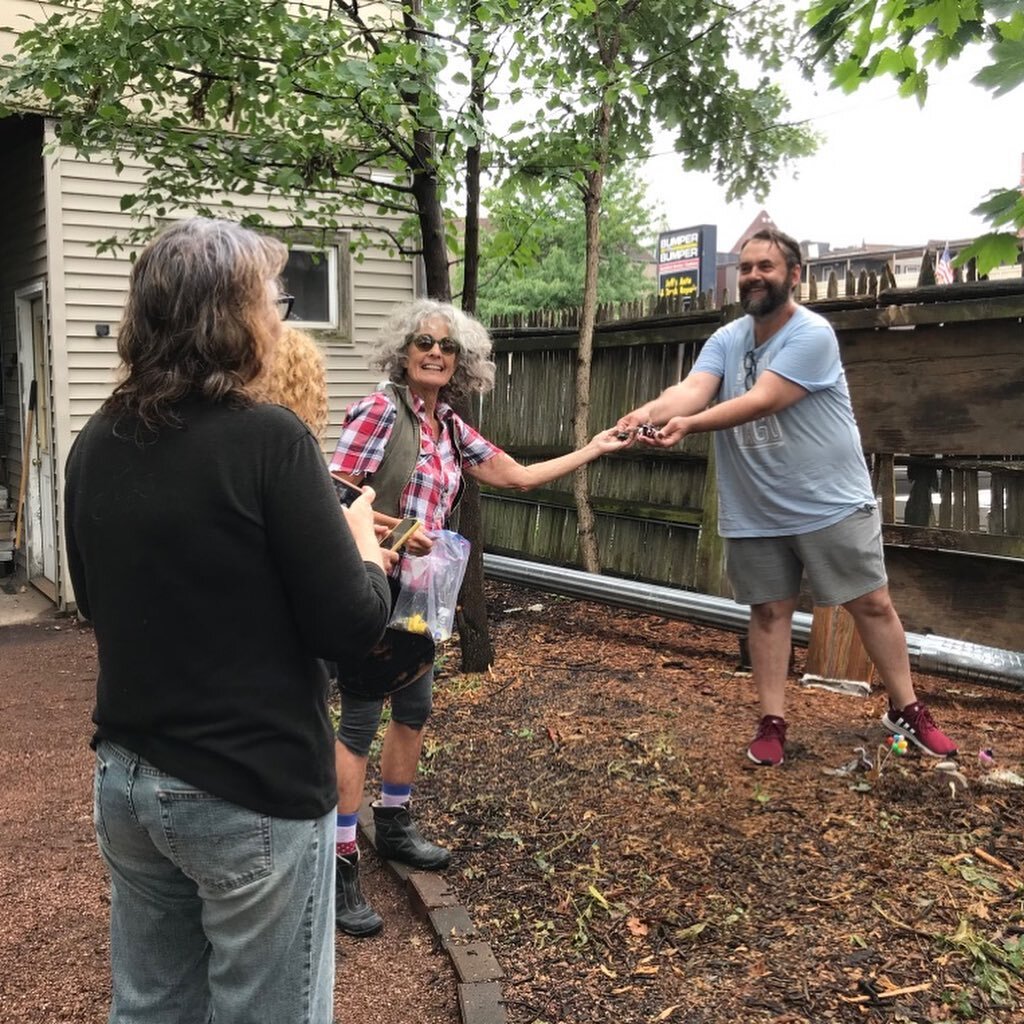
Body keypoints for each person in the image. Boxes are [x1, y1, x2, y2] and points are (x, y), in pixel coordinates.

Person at [64, 217, 393, 1024]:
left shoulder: (96, 441)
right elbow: (351, 629)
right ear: (233, 318)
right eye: (272, 300)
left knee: (150, 1008)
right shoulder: (269, 441)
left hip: (129, 778)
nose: (280, 317)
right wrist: (367, 554)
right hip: (250, 791)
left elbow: (98, 601)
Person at [329, 298, 630, 936]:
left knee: (412, 711)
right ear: (402, 353)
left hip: (423, 596)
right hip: (371, 588)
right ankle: (339, 861)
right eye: (423, 343)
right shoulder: (381, 411)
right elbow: (332, 496)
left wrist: (595, 447)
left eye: (448, 347)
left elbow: (517, 476)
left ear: (461, 363)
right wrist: (396, 531)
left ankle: (396, 824)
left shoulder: (450, 428)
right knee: (358, 723)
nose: (436, 353)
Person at [617, 227, 957, 767]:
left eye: (766, 267)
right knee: (769, 613)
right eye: (746, 267)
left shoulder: (812, 334)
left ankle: (907, 709)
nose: (753, 276)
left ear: (793, 275)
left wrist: (688, 425)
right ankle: (772, 722)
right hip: (755, 504)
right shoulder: (728, 338)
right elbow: (692, 388)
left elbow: (763, 399)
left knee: (871, 602)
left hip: (828, 500)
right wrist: (649, 412)